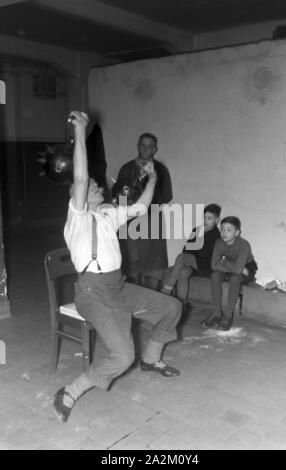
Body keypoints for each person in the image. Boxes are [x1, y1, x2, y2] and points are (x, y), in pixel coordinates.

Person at [53, 112, 182, 424]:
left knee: (171, 307)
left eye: (97, 185)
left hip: (118, 287)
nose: (95, 186)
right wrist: (81, 132)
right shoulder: (77, 219)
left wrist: (152, 178)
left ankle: (152, 359)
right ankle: (71, 390)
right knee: (123, 357)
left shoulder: (108, 214)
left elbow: (141, 207)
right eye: (89, 187)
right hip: (93, 294)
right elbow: (81, 179)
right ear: (76, 198)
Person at [115, 133, 172, 286]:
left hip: (152, 219)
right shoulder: (126, 169)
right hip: (129, 220)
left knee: (153, 263)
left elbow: (166, 196)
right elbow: (120, 196)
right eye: (142, 144)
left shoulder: (160, 170)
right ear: (138, 146)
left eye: (149, 146)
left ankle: (152, 298)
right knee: (131, 262)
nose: (145, 148)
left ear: (155, 149)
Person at [202, 216, 258, 331]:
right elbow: (214, 265)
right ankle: (216, 313)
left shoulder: (244, 245)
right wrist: (230, 264)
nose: (224, 233)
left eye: (229, 230)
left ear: (237, 232)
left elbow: (238, 271)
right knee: (215, 275)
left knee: (235, 278)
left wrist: (225, 262)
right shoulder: (218, 242)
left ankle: (227, 316)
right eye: (222, 229)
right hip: (233, 267)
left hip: (247, 269)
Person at [161, 204, 221, 308]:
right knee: (183, 272)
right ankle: (181, 304)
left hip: (205, 266)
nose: (206, 221)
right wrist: (195, 249)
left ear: (217, 220)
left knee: (182, 257)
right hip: (192, 263)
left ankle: (167, 289)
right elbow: (186, 247)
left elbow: (205, 253)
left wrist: (195, 248)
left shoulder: (216, 235)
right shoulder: (196, 230)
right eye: (205, 218)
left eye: (210, 218)